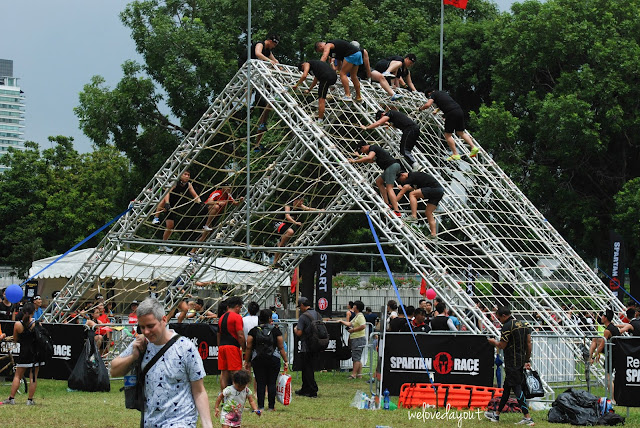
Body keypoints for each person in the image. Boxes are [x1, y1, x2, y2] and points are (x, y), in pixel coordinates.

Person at [111, 298, 212, 428]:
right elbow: (113, 371)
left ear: (164, 320)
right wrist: (133, 356)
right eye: (142, 327)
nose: (146, 332)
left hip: (181, 421)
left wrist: (207, 424)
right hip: (150, 421)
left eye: (150, 326)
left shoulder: (186, 348)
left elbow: (199, 391)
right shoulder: (142, 344)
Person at [485, 306, 534, 426]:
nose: (499, 321)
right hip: (521, 360)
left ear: (504, 316)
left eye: (499, 318)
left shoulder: (507, 327)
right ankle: (496, 414)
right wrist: (527, 359)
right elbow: (528, 344)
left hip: (512, 361)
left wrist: (493, 342)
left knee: (517, 388)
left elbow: (502, 345)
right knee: (507, 388)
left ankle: (527, 417)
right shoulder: (524, 324)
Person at [244, 308, 289, 410]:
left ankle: (260, 406)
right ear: (270, 319)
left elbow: (249, 347)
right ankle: (271, 406)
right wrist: (285, 360)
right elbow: (281, 347)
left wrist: (247, 361)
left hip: (258, 359)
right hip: (273, 359)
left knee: (260, 382)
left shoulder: (254, 331)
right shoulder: (275, 331)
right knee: (272, 382)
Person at [418, 88, 479, 161]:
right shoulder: (443, 93)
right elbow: (445, 103)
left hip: (451, 113)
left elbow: (428, 105)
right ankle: (473, 147)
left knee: (447, 135)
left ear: (429, 94)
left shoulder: (433, 94)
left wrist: (420, 109)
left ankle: (455, 154)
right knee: (460, 132)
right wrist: (437, 110)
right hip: (459, 111)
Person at [2, 303, 42, 405]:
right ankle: (30, 400)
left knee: (17, 376)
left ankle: (11, 398)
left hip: (24, 352)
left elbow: (15, 339)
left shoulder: (17, 324)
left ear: (23, 312)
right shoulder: (37, 323)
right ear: (33, 312)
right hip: (35, 353)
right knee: (33, 377)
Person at [151, 170, 202, 252]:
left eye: (188, 175)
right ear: (180, 175)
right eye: (185, 174)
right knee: (163, 200)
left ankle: (163, 244)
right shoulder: (175, 182)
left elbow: (195, 195)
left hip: (174, 205)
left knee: (170, 226)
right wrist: (167, 203)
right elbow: (167, 193)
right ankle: (156, 217)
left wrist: (199, 202)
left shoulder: (188, 185)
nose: (187, 176)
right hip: (168, 201)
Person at [349, 141, 402, 217]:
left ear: (363, 147)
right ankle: (387, 203)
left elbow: (369, 157)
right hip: (391, 167)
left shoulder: (372, 148)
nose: (363, 153)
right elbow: (371, 160)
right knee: (379, 181)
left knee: (389, 188)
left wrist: (355, 161)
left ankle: (397, 211)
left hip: (391, 166)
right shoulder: (374, 150)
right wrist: (359, 157)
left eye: (362, 151)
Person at [247, 34, 281, 135]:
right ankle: (248, 103)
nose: (273, 47)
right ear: (270, 41)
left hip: (255, 68)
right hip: (247, 66)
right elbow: (258, 53)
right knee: (249, 85)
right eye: (273, 44)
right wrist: (270, 61)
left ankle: (251, 105)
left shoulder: (268, 51)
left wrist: (279, 68)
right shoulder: (260, 44)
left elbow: (276, 61)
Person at [272, 196, 321, 266]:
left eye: (302, 202)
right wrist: (295, 222)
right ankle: (280, 245)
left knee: (288, 235)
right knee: (290, 232)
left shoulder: (300, 206)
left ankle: (279, 252)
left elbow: (309, 209)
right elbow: (287, 216)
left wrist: (319, 210)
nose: (301, 203)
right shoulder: (288, 205)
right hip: (278, 223)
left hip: (285, 225)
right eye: (300, 201)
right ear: (295, 200)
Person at [395, 170, 444, 239]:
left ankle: (414, 216)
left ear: (403, 175)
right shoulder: (415, 179)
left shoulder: (411, 176)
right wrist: (404, 188)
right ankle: (433, 234)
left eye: (400, 180)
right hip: (439, 191)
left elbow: (402, 193)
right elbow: (412, 188)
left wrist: (393, 204)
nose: (401, 182)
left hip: (434, 189)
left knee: (412, 194)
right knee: (428, 212)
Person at [588, 309, 620, 397]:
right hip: (616, 352)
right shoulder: (613, 327)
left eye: (602, 316)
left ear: (605, 318)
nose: (601, 317)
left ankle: (613, 398)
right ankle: (589, 357)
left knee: (608, 377)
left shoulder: (607, 330)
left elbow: (602, 345)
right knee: (595, 339)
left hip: (612, 354)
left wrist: (594, 356)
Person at [294, 297, 320, 398]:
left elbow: (299, 332)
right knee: (308, 368)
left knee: (307, 368)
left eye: (299, 307)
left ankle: (313, 390)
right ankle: (305, 389)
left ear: (302, 305)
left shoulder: (303, 316)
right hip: (316, 345)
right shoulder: (317, 314)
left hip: (306, 345)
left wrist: (296, 329)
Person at [218, 296, 245, 391]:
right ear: (237, 306)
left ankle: (224, 398)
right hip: (232, 347)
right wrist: (244, 348)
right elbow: (240, 335)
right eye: (240, 308)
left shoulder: (221, 317)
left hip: (222, 347)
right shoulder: (237, 317)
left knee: (224, 373)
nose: (240, 310)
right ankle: (236, 400)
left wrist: (219, 347)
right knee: (236, 373)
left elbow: (218, 334)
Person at [339, 300, 367, 379]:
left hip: (358, 338)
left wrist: (353, 330)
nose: (353, 307)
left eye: (354, 306)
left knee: (356, 358)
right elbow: (349, 323)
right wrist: (341, 321)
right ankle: (359, 375)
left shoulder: (360, 316)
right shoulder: (356, 316)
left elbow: (363, 326)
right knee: (357, 357)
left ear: (356, 307)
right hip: (356, 338)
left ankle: (353, 374)